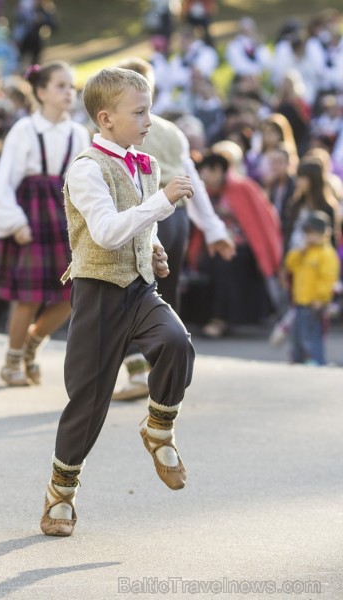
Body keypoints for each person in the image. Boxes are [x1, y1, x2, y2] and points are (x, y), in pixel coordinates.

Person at [39, 67, 196, 537]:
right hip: (98, 294)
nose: (150, 120)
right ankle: (60, 494)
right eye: (140, 112)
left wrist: (152, 247)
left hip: (139, 289)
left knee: (176, 342)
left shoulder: (144, 164)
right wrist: (163, 203)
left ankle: (159, 429)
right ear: (106, 118)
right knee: (87, 402)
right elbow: (106, 232)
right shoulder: (87, 168)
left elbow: (136, 228)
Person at [0, 61, 90, 385]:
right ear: (40, 92)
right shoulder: (24, 130)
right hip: (31, 212)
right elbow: (4, 181)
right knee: (30, 295)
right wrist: (14, 222)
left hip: (63, 215)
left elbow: (83, 181)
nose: (69, 92)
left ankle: (32, 345)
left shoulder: (78, 132)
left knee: (74, 291)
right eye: (60, 86)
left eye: (70, 86)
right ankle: (12, 360)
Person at [111, 57, 234, 402]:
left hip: (142, 214)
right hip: (176, 216)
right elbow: (190, 180)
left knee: (128, 289)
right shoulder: (172, 130)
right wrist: (213, 229)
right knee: (167, 289)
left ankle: (139, 366)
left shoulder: (122, 129)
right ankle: (166, 368)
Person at [192, 151, 282, 337]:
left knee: (225, 264)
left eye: (205, 172)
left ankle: (219, 319)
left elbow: (264, 222)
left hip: (243, 249)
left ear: (217, 170)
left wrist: (268, 254)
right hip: (216, 246)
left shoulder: (244, 187)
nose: (202, 177)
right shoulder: (207, 193)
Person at [284, 211, 340, 365]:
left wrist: (321, 298)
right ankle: (297, 360)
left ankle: (316, 361)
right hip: (300, 300)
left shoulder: (326, 254)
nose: (310, 237)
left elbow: (328, 279)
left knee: (311, 336)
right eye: (307, 233)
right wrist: (299, 252)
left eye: (313, 233)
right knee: (297, 335)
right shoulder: (305, 252)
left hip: (314, 303)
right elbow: (290, 265)